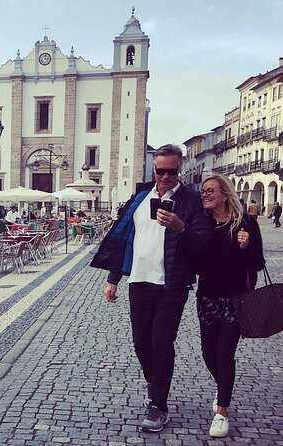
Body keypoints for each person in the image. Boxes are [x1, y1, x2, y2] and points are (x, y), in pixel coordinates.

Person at [90, 144, 212, 432]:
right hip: (139, 281)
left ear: (179, 168)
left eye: (172, 170)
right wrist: (113, 278)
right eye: (161, 170)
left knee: (161, 342)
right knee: (141, 342)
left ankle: (158, 405)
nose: (166, 176)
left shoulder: (191, 200)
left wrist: (180, 227)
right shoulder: (141, 196)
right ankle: (155, 380)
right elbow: (126, 239)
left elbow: (203, 243)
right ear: (154, 169)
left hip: (173, 283)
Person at [195, 175, 264, 438]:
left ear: (225, 194)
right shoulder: (202, 224)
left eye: (210, 190)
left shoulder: (246, 223)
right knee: (207, 353)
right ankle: (223, 386)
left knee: (224, 355)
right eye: (203, 192)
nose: (205, 195)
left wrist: (246, 246)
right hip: (208, 297)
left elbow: (257, 263)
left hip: (236, 299)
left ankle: (222, 412)